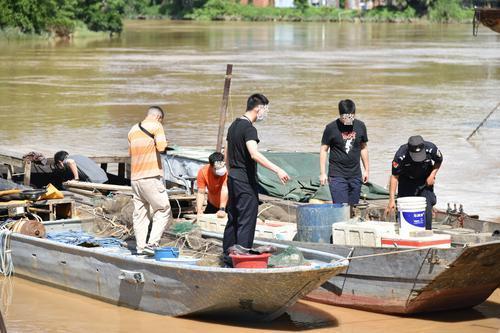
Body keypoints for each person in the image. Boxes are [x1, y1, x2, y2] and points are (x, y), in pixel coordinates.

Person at [222, 93, 290, 264]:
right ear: (258, 108)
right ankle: (242, 259)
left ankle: (227, 255)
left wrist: (231, 173)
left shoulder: (233, 126)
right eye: (265, 109)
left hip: (233, 178)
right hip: (245, 180)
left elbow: (226, 155)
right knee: (247, 218)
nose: (265, 113)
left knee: (233, 217)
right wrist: (277, 169)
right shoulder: (249, 128)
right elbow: (254, 153)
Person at [128, 106, 172, 255]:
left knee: (140, 213)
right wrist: (165, 142)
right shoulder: (157, 126)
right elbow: (161, 148)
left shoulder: (132, 130)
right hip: (150, 176)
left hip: (135, 178)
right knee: (163, 208)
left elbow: (132, 153)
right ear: (159, 117)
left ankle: (140, 247)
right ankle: (152, 244)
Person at [386, 135, 443, 229]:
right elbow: (394, 176)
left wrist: (432, 175)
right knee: (404, 209)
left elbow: (439, 161)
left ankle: (427, 233)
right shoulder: (401, 154)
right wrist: (391, 200)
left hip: (425, 180)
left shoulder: (431, 148)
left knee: (427, 208)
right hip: (406, 181)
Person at [319, 99, 369, 205]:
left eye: (351, 117)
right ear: (340, 115)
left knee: (353, 208)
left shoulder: (360, 126)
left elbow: (363, 147)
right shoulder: (331, 128)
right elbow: (324, 150)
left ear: (354, 114)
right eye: (345, 117)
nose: (348, 120)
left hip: (355, 175)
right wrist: (323, 173)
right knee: (341, 208)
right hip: (337, 175)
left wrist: (366, 170)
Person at [196, 152, 228, 219]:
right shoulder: (203, 172)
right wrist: (199, 210)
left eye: (221, 167)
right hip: (212, 204)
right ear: (211, 166)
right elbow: (201, 192)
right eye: (216, 168)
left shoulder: (228, 171)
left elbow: (225, 189)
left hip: (229, 204)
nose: (220, 170)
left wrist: (222, 209)